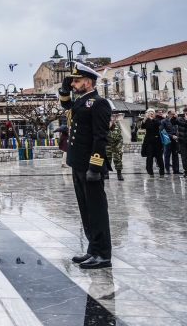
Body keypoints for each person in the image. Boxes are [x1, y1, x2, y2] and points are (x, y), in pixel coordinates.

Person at [58, 62, 112, 269]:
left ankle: (103, 254)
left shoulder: (99, 103)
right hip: (78, 163)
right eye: (73, 81)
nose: (74, 84)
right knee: (86, 210)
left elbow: (100, 138)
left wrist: (95, 167)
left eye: (77, 81)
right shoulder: (82, 102)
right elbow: (67, 106)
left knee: (97, 211)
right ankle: (93, 250)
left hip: (90, 166)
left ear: (88, 82)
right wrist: (64, 89)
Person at [140, 109, 164, 176]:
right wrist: (145, 119)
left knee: (159, 157)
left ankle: (162, 171)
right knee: (149, 157)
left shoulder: (157, 120)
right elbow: (142, 127)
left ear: (154, 114)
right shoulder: (146, 120)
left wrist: (152, 119)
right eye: (149, 113)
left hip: (157, 141)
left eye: (152, 113)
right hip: (149, 142)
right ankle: (150, 172)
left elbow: (158, 124)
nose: (151, 114)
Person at [161, 109, 181, 175]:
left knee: (175, 155)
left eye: (175, 114)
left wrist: (177, 136)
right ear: (169, 114)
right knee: (167, 155)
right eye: (173, 114)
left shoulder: (176, 121)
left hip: (175, 140)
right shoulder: (163, 121)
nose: (174, 115)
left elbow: (178, 130)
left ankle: (176, 170)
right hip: (167, 140)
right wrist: (171, 136)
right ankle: (167, 170)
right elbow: (162, 131)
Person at [106, 113, 124, 181]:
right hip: (107, 144)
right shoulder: (105, 124)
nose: (113, 118)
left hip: (117, 144)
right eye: (112, 116)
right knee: (107, 159)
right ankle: (106, 173)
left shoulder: (117, 124)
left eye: (114, 116)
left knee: (118, 159)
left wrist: (119, 146)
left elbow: (119, 136)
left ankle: (119, 174)